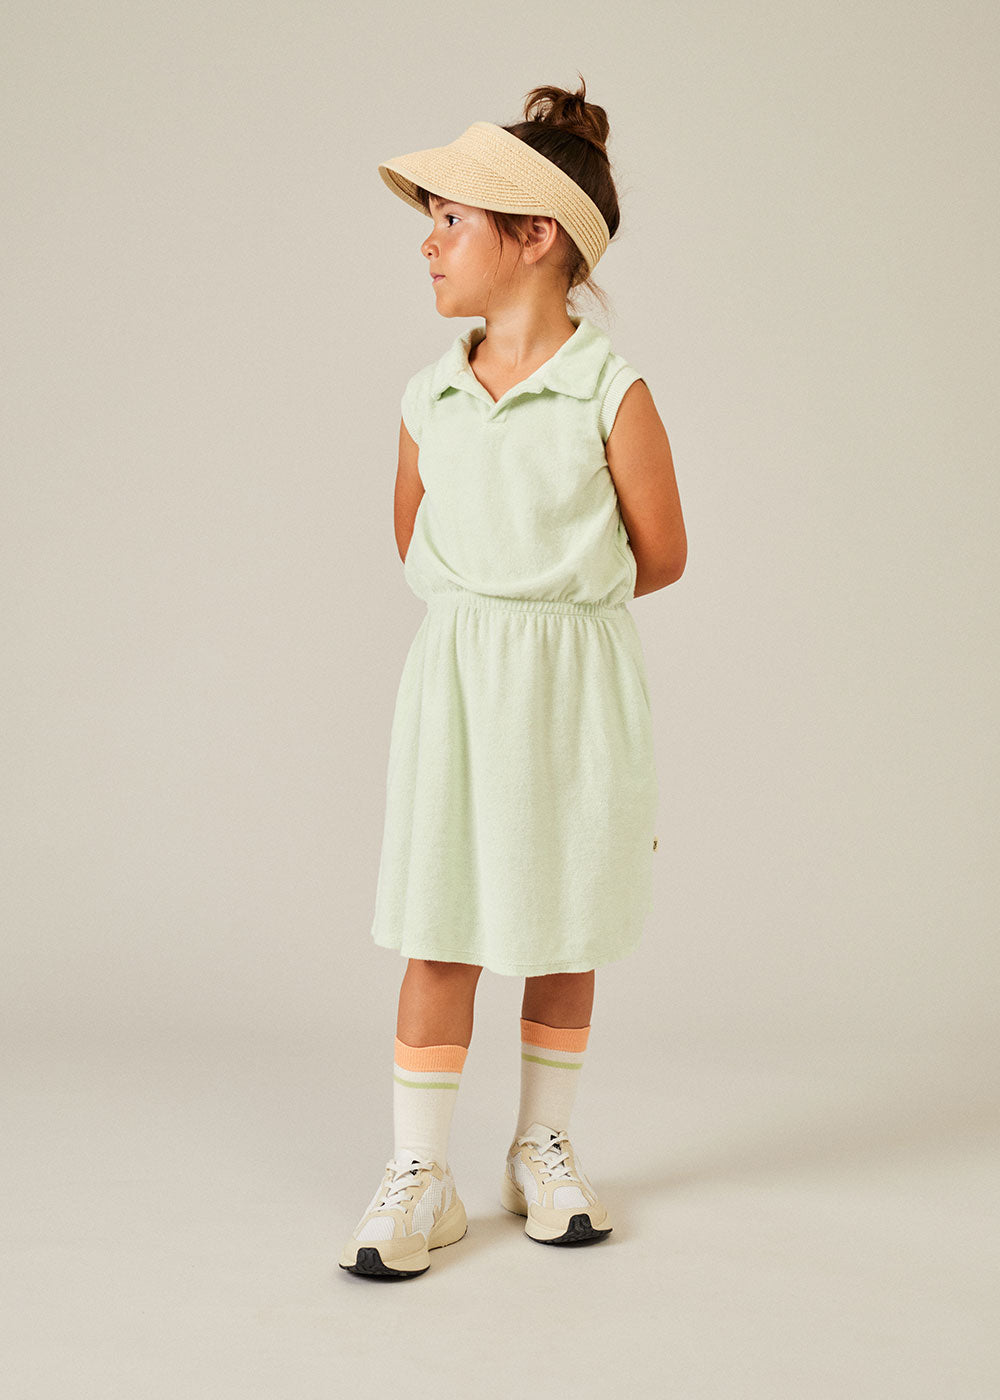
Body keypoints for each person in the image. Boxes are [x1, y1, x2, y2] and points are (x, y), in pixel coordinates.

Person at [339, 78, 687, 1279]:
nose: (427, 243)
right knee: (439, 922)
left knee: (563, 916)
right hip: (456, 687)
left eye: (450, 220)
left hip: (573, 692)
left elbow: (662, 551)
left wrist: (552, 605)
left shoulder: (608, 390)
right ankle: (418, 1170)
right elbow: (414, 538)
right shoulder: (428, 396)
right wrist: (489, 608)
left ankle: (541, 1141)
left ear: (534, 235)